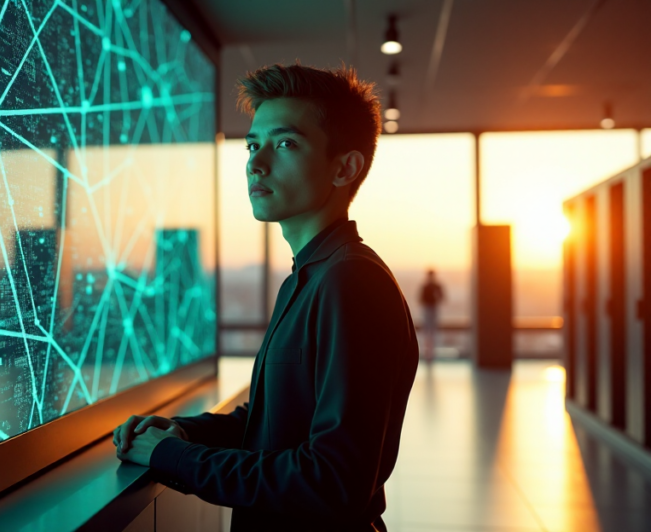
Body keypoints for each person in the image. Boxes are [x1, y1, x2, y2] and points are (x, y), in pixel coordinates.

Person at [112, 63, 419, 532]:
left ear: (345, 167)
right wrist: (183, 432)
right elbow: (270, 419)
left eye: (285, 143)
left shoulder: (351, 283)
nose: (256, 162)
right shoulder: (310, 277)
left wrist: (174, 457)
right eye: (253, 145)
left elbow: (332, 481)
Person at [419, 269, 445, 363]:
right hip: (429, 309)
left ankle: (430, 354)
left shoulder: (431, 286)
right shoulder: (428, 286)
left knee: (430, 331)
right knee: (429, 331)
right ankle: (428, 353)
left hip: (431, 309)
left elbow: (442, 297)